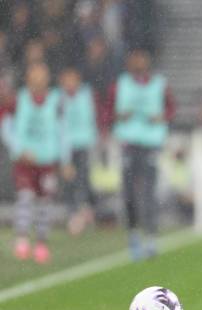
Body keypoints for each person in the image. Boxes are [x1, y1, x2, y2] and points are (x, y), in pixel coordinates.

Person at [108, 49, 175, 260]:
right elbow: (107, 109)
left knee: (148, 193)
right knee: (129, 193)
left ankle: (151, 238)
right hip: (129, 143)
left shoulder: (159, 84)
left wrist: (162, 117)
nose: (138, 62)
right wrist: (116, 116)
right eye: (135, 58)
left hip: (151, 143)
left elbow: (171, 108)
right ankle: (134, 234)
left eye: (142, 58)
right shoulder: (121, 84)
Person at [8, 62, 66, 263]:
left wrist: (65, 159)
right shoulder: (20, 98)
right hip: (25, 160)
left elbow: (62, 130)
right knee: (25, 197)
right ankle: (22, 239)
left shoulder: (56, 100)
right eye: (35, 74)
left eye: (43, 74)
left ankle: (41, 243)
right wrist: (18, 150)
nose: (39, 78)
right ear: (29, 77)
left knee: (44, 203)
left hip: (46, 161)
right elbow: (6, 125)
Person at [59, 67, 97, 235]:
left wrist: (92, 140)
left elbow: (90, 119)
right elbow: (59, 125)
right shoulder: (58, 98)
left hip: (83, 144)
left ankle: (83, 210)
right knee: (68, 182)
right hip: (65, 145)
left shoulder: (85, 96)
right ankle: (73, 213)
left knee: (82, 179)